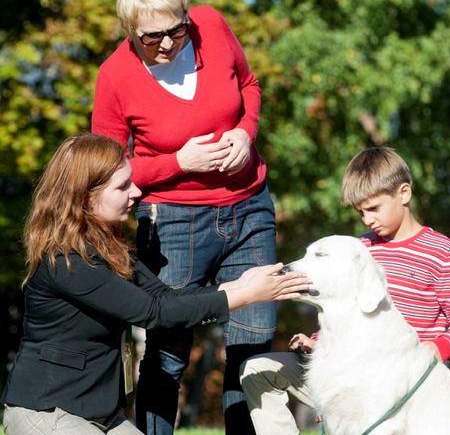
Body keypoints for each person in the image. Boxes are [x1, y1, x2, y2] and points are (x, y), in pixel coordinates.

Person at [0, 134, 310, 435]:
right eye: (122, 186)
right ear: (86, 196)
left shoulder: (110, 245)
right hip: (48, 413)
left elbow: (164, 296)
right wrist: (245, 296)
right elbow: (153, 312)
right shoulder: (68, 261)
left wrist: (236, 286)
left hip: (101, 415)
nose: (136, 192)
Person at [91, 0, 276, 434]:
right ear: (130, 31)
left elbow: (249, 86)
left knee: (252, 348)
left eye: (177, 29)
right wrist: (179, 161)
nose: (169, 43)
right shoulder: (114, 77)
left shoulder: (212, 24)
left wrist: (244, 130)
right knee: (169, 353)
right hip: (173, 220)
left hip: (250, 205)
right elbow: (106, 171)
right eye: (153, 37)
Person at [239, 147, 450, 434]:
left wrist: (436, 348)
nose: (367, 220)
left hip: (402, 385)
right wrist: (318, 340)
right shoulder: (357, 249)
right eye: (360, 211)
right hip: (341, 369)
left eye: (374, 208)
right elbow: (343, 310)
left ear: (404, 193)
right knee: (256, 371)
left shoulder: (442, 252)